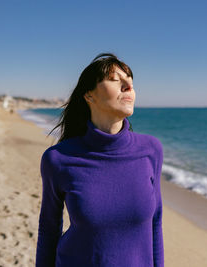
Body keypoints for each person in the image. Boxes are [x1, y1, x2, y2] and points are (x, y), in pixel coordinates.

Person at [35, 53, 164, 266]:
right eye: (116, 80)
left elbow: (155, 223)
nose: (128, 87)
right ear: (89, 96)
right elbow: (48, 229)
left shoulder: (151, 150)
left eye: (130, 82)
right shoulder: (58, 158)